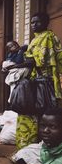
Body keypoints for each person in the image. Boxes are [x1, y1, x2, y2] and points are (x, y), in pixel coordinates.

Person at [13, 12, 62, 149]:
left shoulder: (47, 37)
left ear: (46, 23)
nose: (34, 25)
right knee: (38, 114)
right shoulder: (36, 39)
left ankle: (45, 146)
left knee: (43, 114)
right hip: (39, 81)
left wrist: (16, 66)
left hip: (45, 83)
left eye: (37, 22)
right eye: (32, 22)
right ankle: (37, 146)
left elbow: (36, 61)